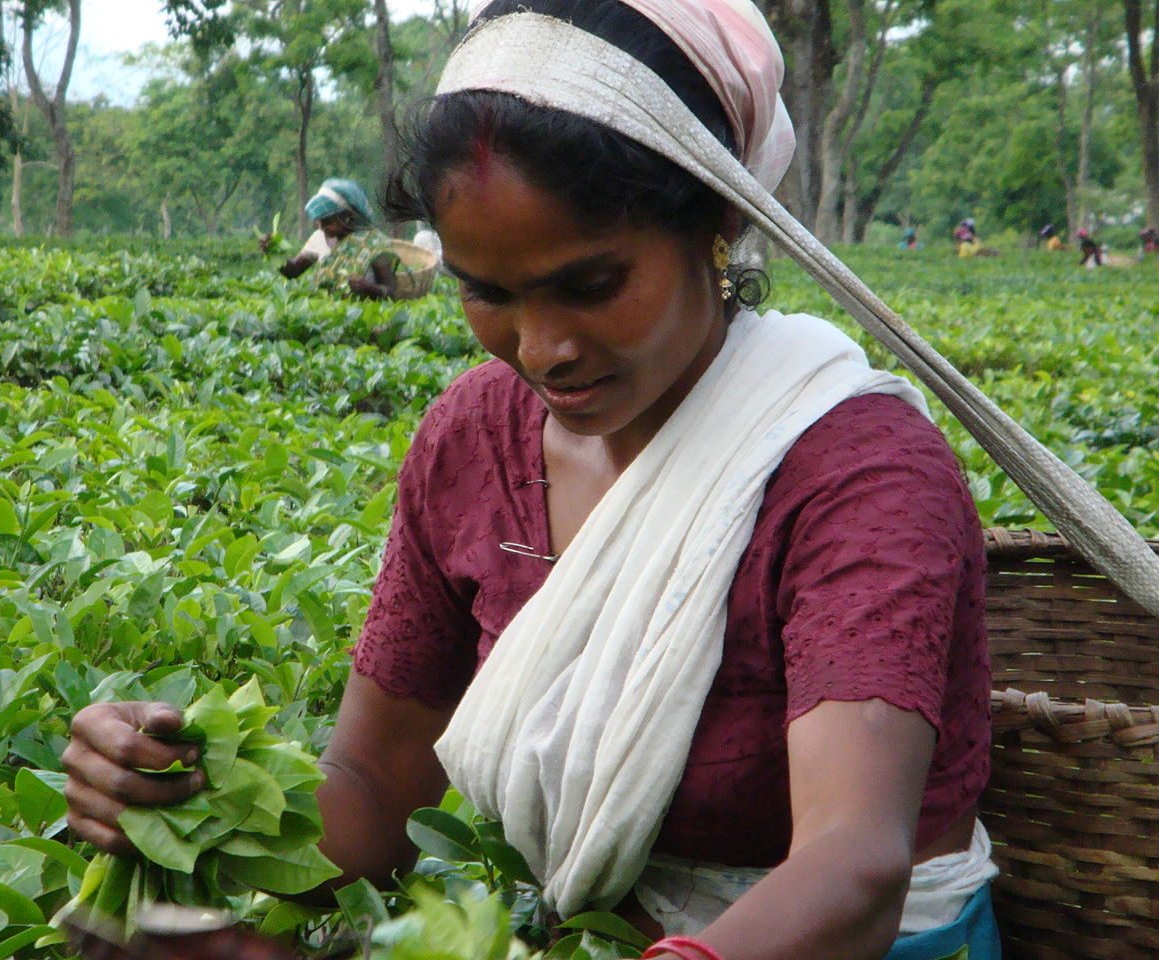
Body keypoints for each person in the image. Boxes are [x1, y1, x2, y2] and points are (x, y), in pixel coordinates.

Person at [62, 3, 997, 960]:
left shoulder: (856, 470)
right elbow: (376, 791)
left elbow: (853, 870)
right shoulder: (473, 440)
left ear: (719, 217)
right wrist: (183, 788)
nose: (542, 351)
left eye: (591, 285)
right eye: (487, 293)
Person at [278, 178, 405, 299]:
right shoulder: (319, 238)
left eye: (328, 221)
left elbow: (391, 293)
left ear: (347, 216)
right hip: (326, 313)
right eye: (319, 221)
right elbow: (293, 271)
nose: (322, 227)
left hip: (364, 315)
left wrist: (369, 288)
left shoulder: (375, 243)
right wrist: (274, 252)